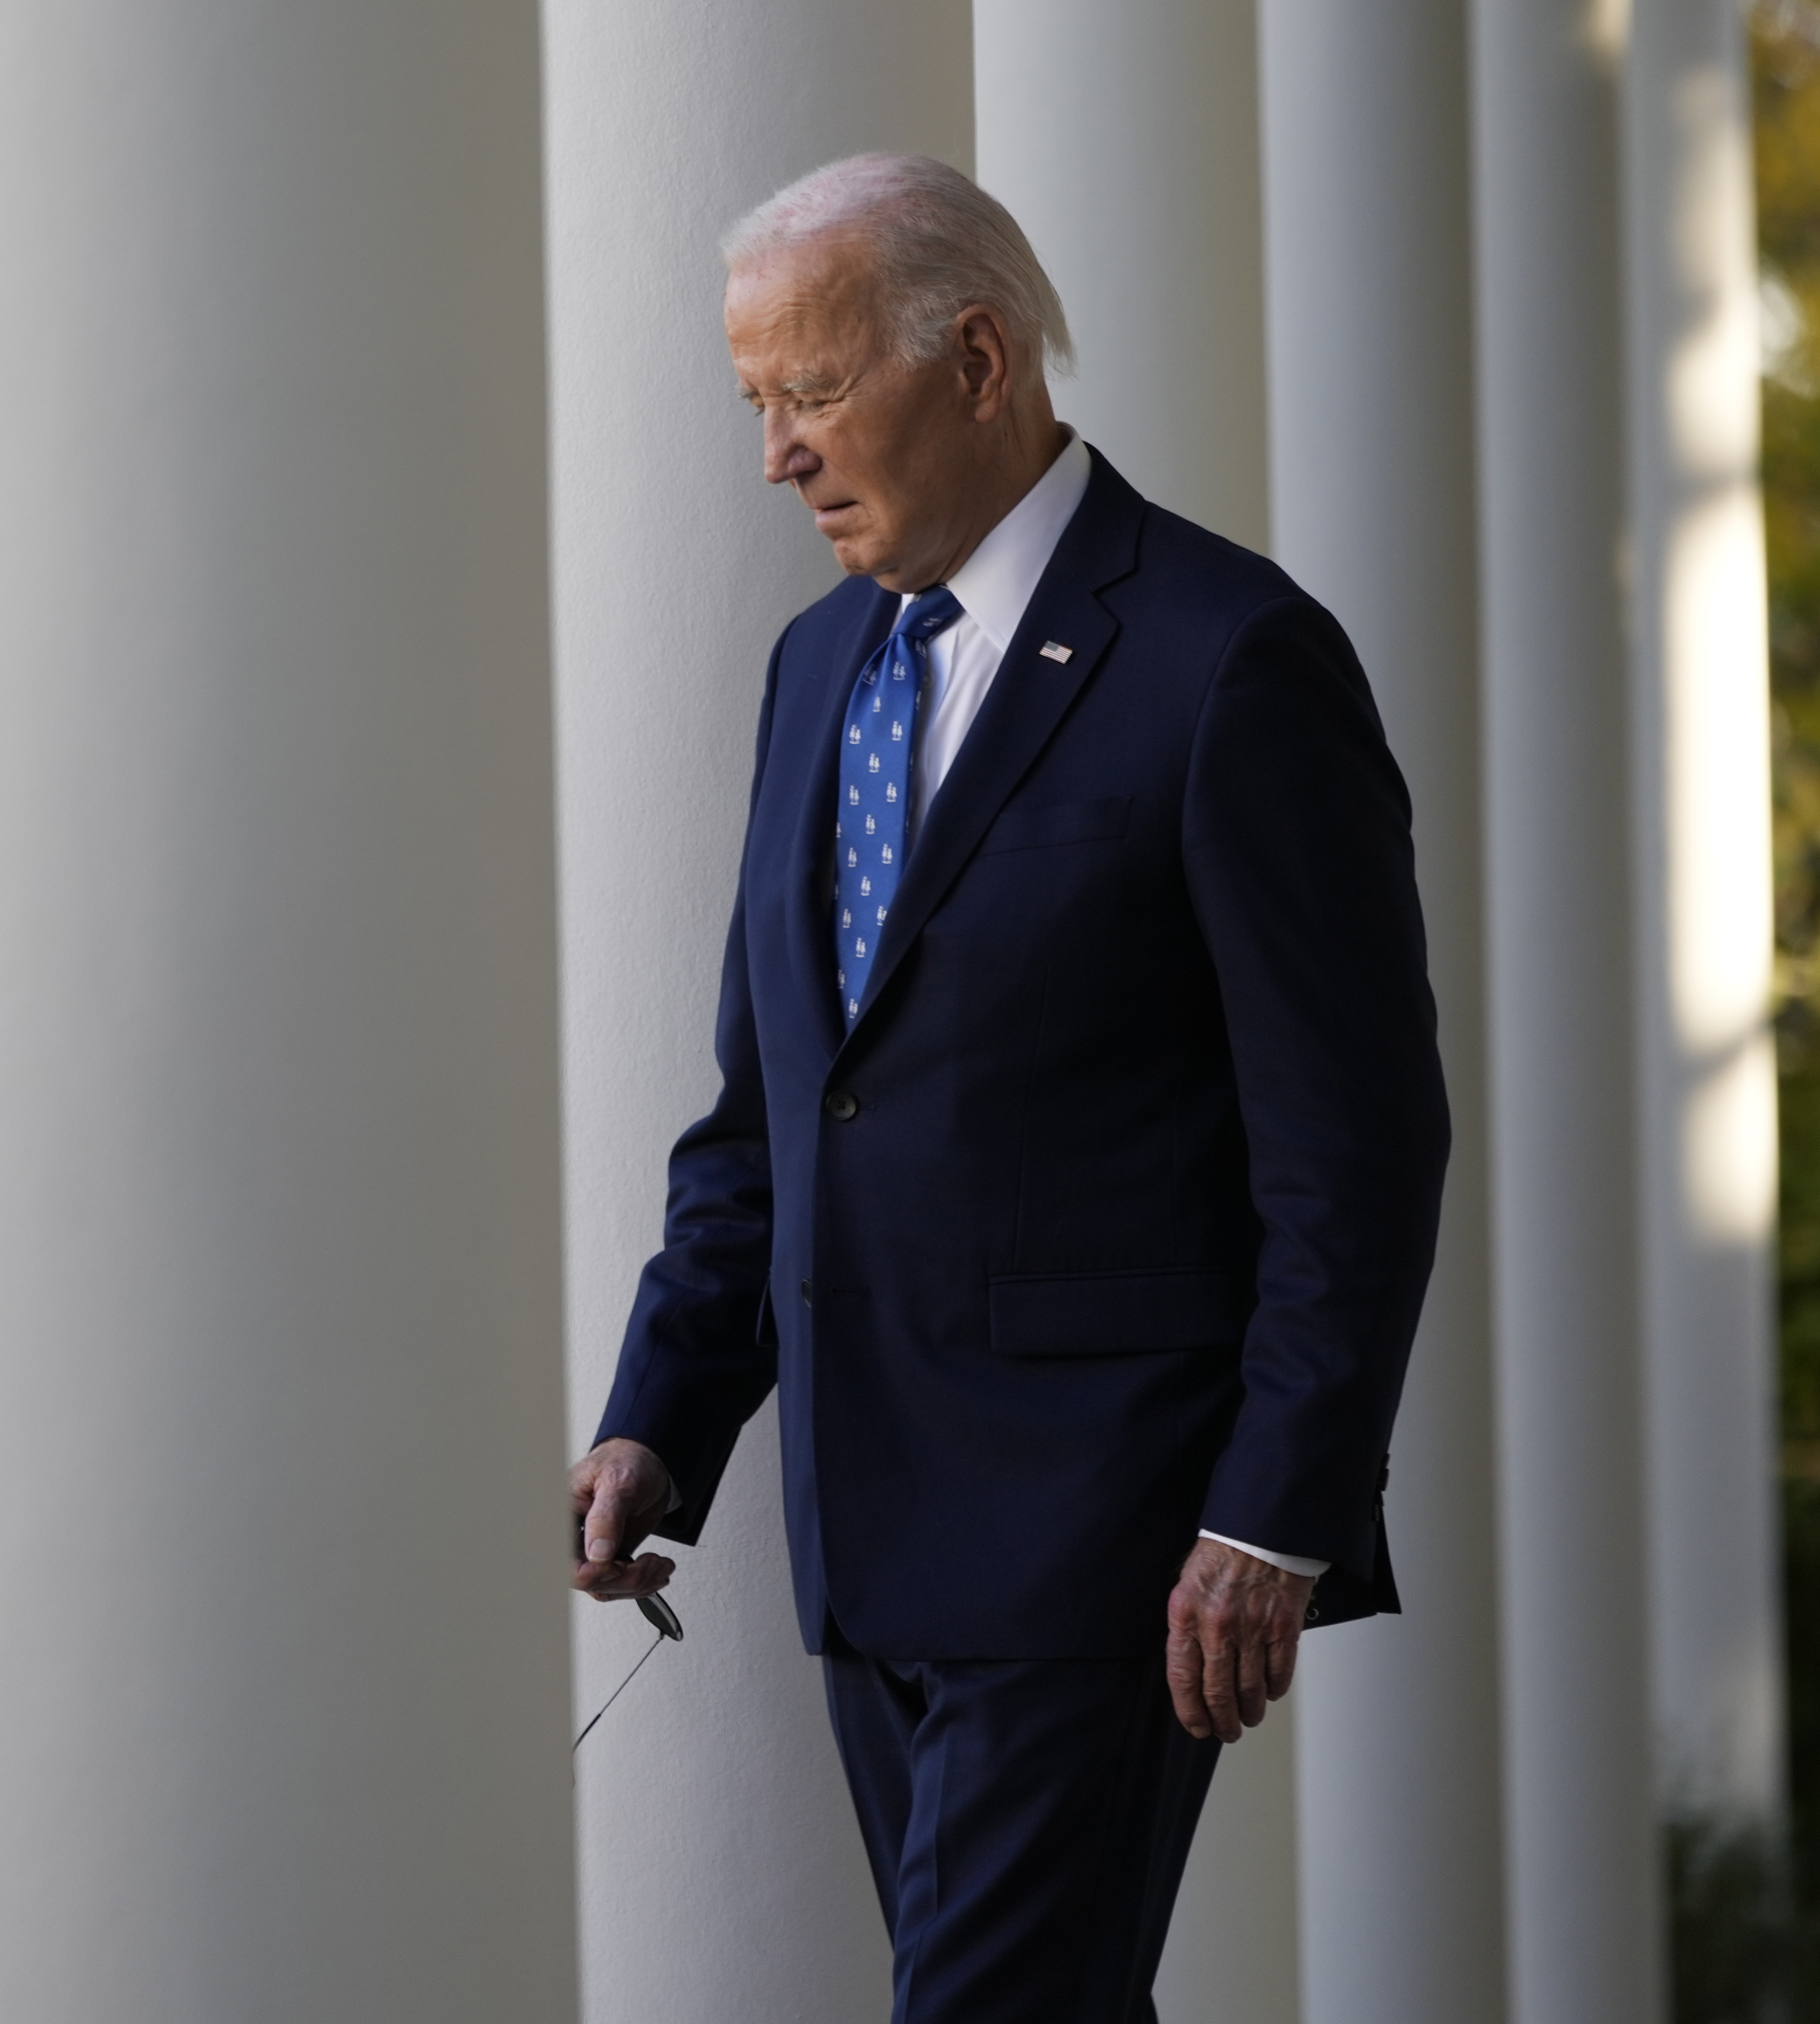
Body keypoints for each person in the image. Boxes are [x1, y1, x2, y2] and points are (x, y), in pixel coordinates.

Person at [567, 152, 1450, 2023]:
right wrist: (666, 1410)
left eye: (814, 392)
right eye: (759, 406)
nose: (780, 454)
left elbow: (1354, 1147)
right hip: (865, 1537)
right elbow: (776, 1107)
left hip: (1108, 1551)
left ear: (977, 360)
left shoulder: (1232, 662)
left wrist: (1271, 1515)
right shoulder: (817, 671)